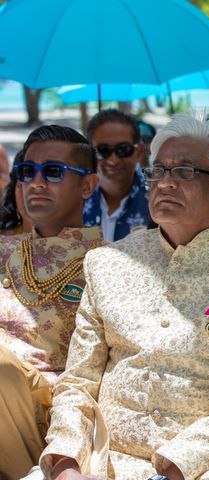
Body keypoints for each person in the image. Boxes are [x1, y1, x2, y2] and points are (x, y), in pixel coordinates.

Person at [39, 114, 209, 480]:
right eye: (157, 171)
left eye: (185, 173)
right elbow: (78, 382)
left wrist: (175, 469)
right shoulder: (107, 262)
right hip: (103, 457)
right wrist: (67, 464)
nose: (165, 183)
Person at [0, 125, 101, 479]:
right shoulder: (5, 250)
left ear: (87, 185)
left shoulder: (109, 262)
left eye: (53, 172)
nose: (37, 182)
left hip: (52, 407)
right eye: (27, 172)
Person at [83, 109, 150, 241]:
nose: (113, 160)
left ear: (138, 151)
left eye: (123, 149)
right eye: (103, 150)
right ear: (89, 153)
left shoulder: (156, 201)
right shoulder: (74, 200)